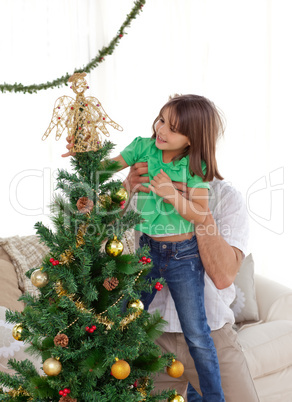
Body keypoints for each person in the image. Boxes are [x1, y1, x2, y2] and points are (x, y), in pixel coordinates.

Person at [109, 94, 225, 401]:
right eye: (161, 120)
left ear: (191, 139)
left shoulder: (195, 166)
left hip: (184, 258)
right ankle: (109, 388)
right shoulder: (142, 149)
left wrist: (170, 194)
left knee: (197, 335)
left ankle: (214, 398)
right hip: (147, 251)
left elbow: (200, 215)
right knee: (122, 321)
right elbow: (108, 164)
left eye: (173, 128)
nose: (161, 129)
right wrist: (85, 156)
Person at [124, 163, 260, 402]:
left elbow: (223, 277)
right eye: (160, 126)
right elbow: (91, 239)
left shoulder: (225, 196)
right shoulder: (144, 188)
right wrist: (125, 189)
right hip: (151, 336)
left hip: (212, 332)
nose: (161, 136)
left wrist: (195, 209)